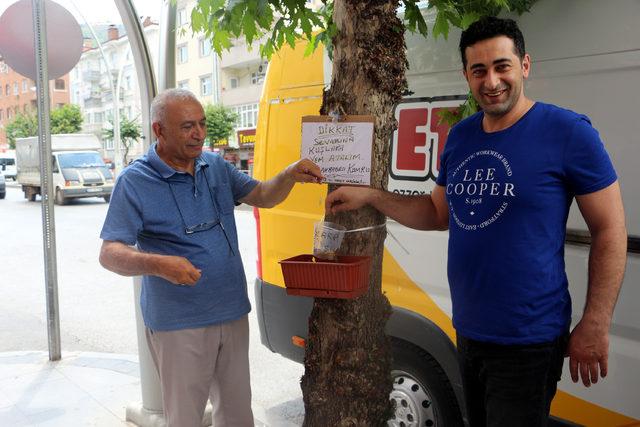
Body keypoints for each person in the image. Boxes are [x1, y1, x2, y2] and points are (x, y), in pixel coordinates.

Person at [325, 16, 627, 427]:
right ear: (466, 74)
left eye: (502, 66)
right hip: (469, 331)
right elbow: (436, 213)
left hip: (529, 338)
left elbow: (610, 229)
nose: (491, 81)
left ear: (525, 65)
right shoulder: (462, 136)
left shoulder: (568, 132)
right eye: (479, 70)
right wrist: (371, 196)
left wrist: (595, 322)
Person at [99, 88, 323, 427]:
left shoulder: (214, 165)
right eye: (188, 126)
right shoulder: (135, 181)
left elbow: (262, 195)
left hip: (231, 311)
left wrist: (290, 174)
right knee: (186, 417)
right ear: (159, 130)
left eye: (202, 124)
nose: (199, 133)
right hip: (178, 323)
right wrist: (159, 264)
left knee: (236, 414)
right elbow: (109, 253)